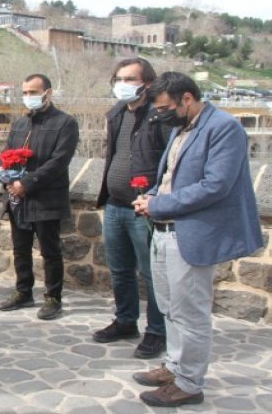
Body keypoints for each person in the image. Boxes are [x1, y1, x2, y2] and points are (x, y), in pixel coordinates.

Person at [131, 72, 263, 408]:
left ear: (187, 98)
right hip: (165, 230)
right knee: (171, 308)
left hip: (190, 235)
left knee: (191, 313)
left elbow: (215, 185)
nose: (161, 115)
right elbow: (172, 178)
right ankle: (176, 366)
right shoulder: (181, 127)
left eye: (166, 108)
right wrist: (150, 196)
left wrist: (158, 203)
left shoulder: (224, 128)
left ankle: (189, 383)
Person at [94, 58, 171, 359]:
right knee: (120, 270)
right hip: (115, 205)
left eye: (130, 78)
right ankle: (126, 321)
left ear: (147, 84)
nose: (122, 84)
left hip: (144, 208)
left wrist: (155, 198)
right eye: (119, 78)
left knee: (151, 274)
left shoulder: (159, 117)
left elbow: (167, 163)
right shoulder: (115, 114)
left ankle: (157, 332)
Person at [0, 74, 79, 321]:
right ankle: (23, 291)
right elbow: (7, 154)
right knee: (20, 248)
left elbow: (59, 162)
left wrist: (27, 183)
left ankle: (53, 297)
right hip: (18, 198)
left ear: (48, 93)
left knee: (50, 251)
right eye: (25, 92)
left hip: (46, 197)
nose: (28, 97)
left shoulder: (65, 123)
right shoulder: (21, 124)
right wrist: (10, 180)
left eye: (33, 92)